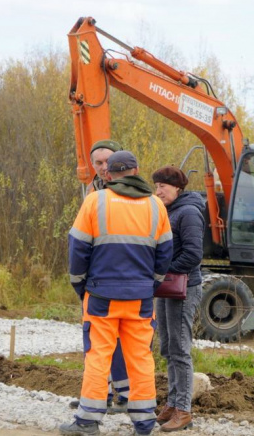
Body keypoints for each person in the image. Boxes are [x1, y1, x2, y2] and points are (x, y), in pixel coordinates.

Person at [62, 150, 173, 436]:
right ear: (136, 171)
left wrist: (80, 286)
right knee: (141, 357)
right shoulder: (156, 206)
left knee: (98, 355)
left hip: (101, 296)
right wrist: (149, 286)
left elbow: (77, 249)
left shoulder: (95, 201)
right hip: (140, 298)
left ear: (109, 174)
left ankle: (87, 421)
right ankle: (144, 423)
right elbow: (165, 254)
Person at [69, 139, 131, 414]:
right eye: (99, 162)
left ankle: (127, 394)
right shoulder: (92, 191)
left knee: (124, 341)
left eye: (109, 161)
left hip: (123, 277)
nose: (104, 167)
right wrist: (81, 280)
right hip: (97, 279)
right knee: (95, 341)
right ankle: (99, 394)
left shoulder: (134, 192)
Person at [151, 166, 205, 432]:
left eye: (163, 186)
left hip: (183, 288)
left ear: (177, 188)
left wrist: (165, 272)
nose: (158, 191)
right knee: (167, 347)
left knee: (180, 349)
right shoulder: (169, 210)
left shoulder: (189, 212)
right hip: (167, 287)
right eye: (156, 186)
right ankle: (172, 404)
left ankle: (184, 410)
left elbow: (193, 254)